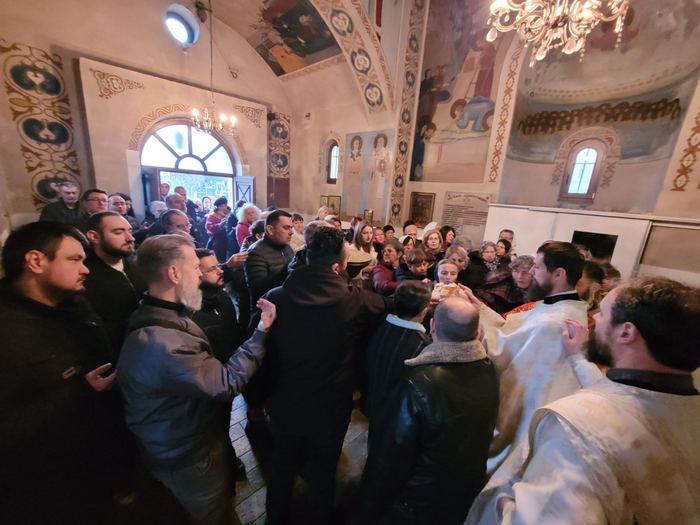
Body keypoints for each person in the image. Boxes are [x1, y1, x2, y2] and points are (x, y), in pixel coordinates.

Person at [467, 277, 700, 524]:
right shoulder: (685, 410)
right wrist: (578, 358)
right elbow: (625, 401)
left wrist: (504, 500)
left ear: (626, 332)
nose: (595, 317)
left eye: (604, 312)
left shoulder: (579, 431)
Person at [118, 234, 277, 525]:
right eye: (194, 267)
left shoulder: (161, 313)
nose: (200, 275)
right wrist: (261, 331)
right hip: (186, 454)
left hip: (184, 439)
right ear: (174, 273)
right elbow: (226, 383)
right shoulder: (164, 342)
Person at [260, 226, 388, 524]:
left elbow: (259, 349)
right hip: (330, 404)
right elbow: (387, 306)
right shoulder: (354, 300)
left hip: (284, 400)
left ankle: (275, 517)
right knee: (324, 470)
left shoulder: (276, 297)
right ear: (338, 266)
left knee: (282, 466)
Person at [0, 221, 118, 524]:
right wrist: (79, 391)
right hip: (43, 486)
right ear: (36, 261)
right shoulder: (8, 328)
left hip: (94, 460)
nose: (86, 269)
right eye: (74, 259)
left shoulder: (72, 302)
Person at [357, 297, 499, 525]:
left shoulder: (417, 383)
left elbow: (389, 458)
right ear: (476, 334)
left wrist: (366, 509)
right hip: (464, 492)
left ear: (432, 326)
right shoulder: (489, 369)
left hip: (416, 501)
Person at [473, 241, 587, 480]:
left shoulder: (554, 322)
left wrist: (475, 317)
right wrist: (479, 308)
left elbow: (502, 349)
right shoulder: (564, 307)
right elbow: (511, 330)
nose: (532, 272)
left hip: (526, 409)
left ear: (558, 274)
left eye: (537, 266)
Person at [364, 281, 431, 429]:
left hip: (372, 403)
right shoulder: (423, 345)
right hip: (399, 417)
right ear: (424, 311)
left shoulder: (378, 325)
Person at [84, 211, 146, 354]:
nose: (130, 238)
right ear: (94, 236)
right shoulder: (84, 275)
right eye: (118, 232)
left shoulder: (138, 264)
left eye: (130, 231)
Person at [244, 209, 294, 319]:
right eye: (286, 228)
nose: (291, 232)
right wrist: (289, 268)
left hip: (286, 308)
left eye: (291, 228)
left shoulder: (286, 247)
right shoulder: (255, 252)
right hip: (266, 314)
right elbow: (259, 289)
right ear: (270, 230)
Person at [205, 197, 229, 261]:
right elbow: (208, 226)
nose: (224, 207)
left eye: (225, 205)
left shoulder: (228, 213)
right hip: (216, 240)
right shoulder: (212, 215)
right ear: (217, 207)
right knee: (218, 258)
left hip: (227, 239)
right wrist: (220, 225)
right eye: (221, 206)